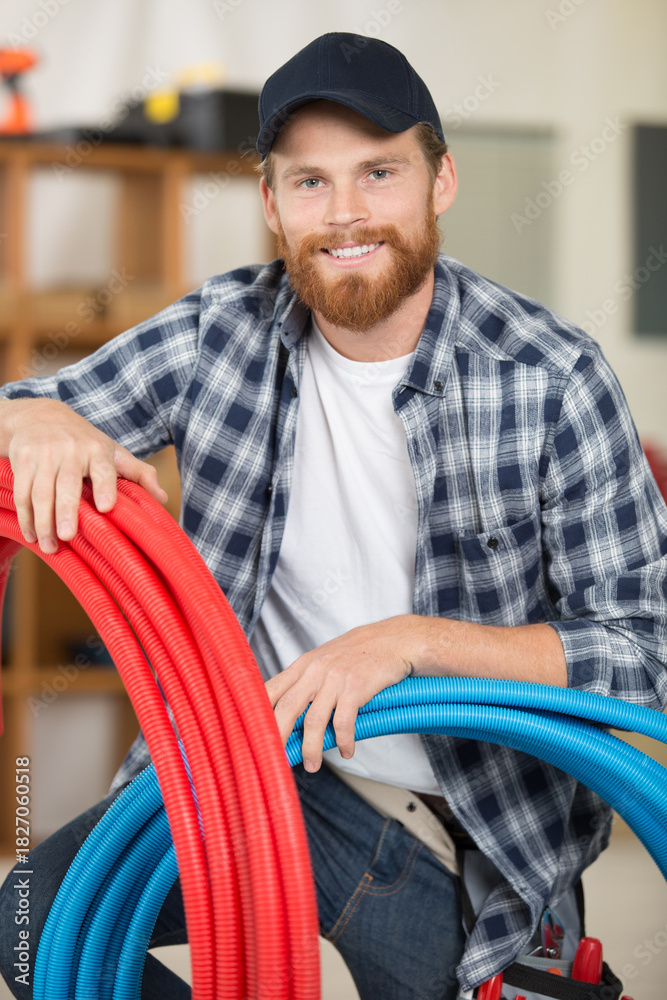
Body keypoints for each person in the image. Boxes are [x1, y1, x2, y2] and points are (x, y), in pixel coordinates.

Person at [1, 30, 666, 1000]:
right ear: (269, 203)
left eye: (378, 172)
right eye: (309, 182)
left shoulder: (551, 378)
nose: (345, 213)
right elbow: (24, 411)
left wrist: (409, 644)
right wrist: (37, 415)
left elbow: (644, 650)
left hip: (456, 840)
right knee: (30, 922)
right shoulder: (217, 334)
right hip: (241, 771)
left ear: (440, 180)